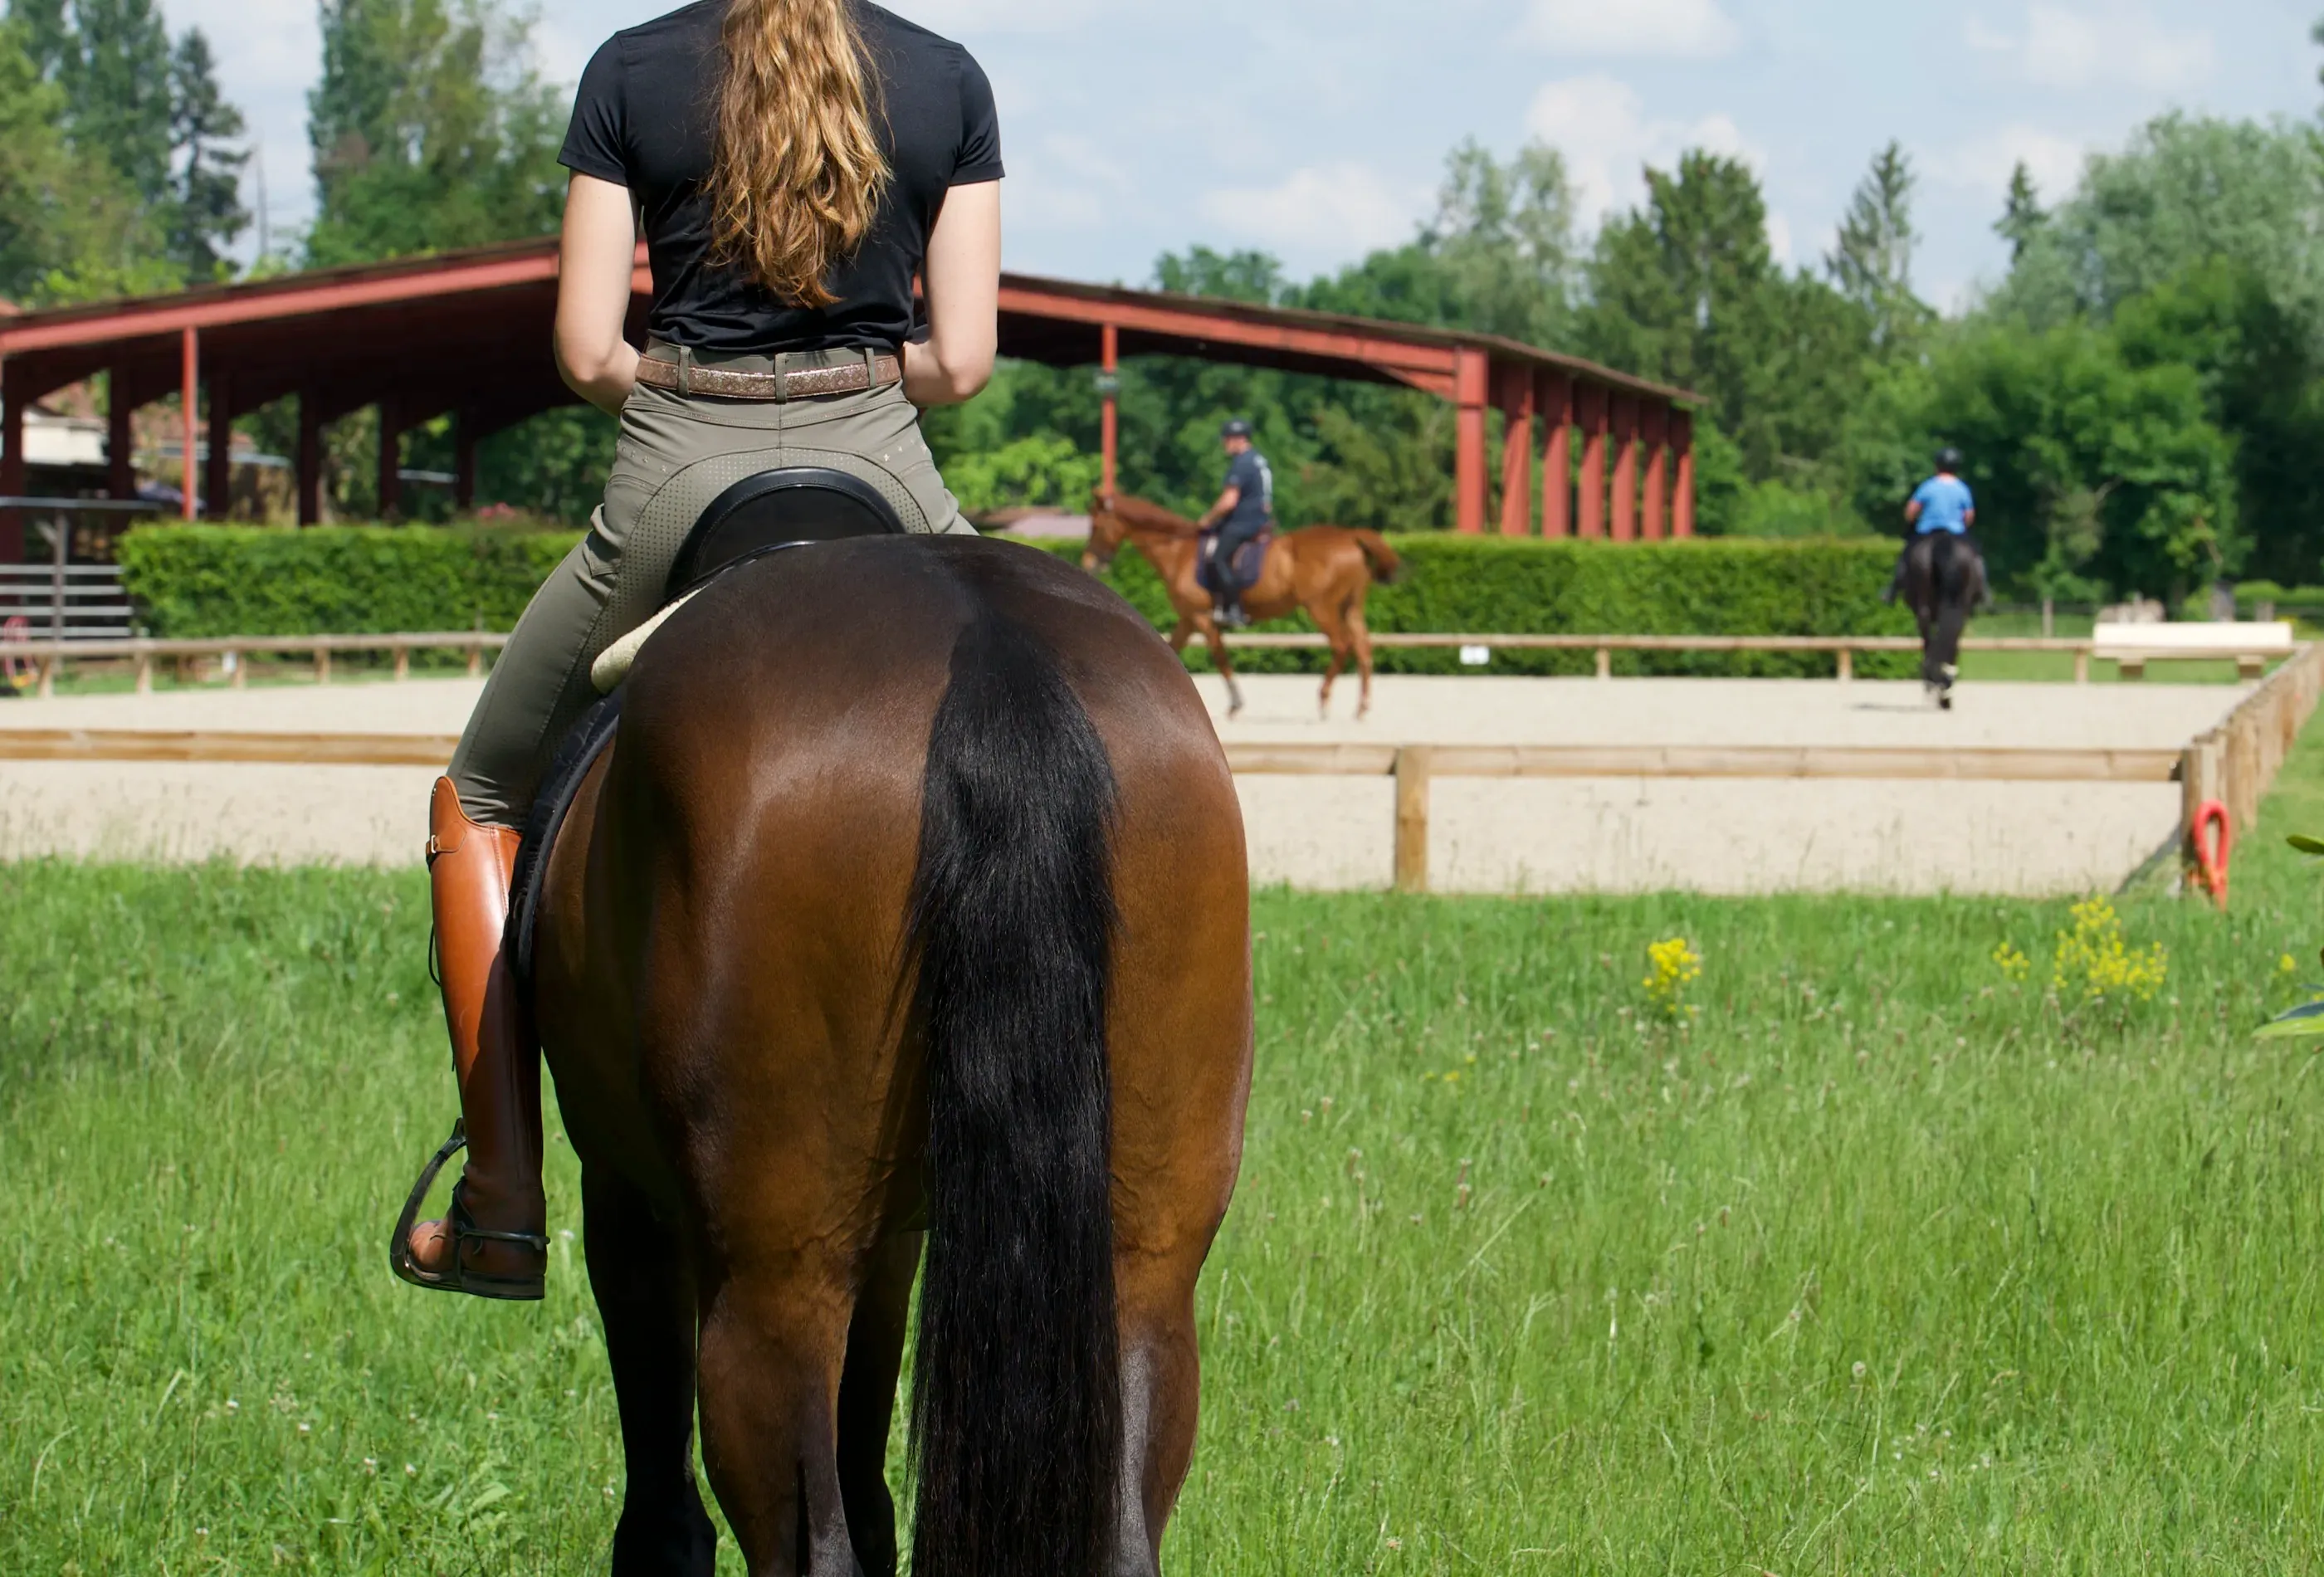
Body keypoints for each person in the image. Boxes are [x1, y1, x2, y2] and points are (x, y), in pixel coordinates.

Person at [392, 0, 1004, 1301]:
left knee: (482, 791)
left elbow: (584, 349)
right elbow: (960, 361)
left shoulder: (632, 69)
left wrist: (693, 386)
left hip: (678, 464)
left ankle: (501, 1200)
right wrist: (844, 382)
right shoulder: (946, 77)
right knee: (1047, 710)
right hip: (886, 459)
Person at [1196, 418, 1274, 628]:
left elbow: (1229, 501)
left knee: (1217, 558)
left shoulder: (1241, 463)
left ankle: (1234, 609)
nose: (1225, 443)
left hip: (1243, 522)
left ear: (1239, 439)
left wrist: (1207, 519)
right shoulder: (1259, 460)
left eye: (1227, 439)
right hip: (1260, 519)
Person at [1882, 447, 1977, 604]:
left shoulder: (1928, 486)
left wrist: (1912, 523)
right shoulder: (1962, 488)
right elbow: (1969, 516)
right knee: (1975, 556)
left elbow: (1911, 511)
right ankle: (1983, 590)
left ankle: (1892, 590)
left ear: (1937, 465)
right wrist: (1963, 525)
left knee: (1906, 555)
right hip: (1955, 532)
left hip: (1928, 531)